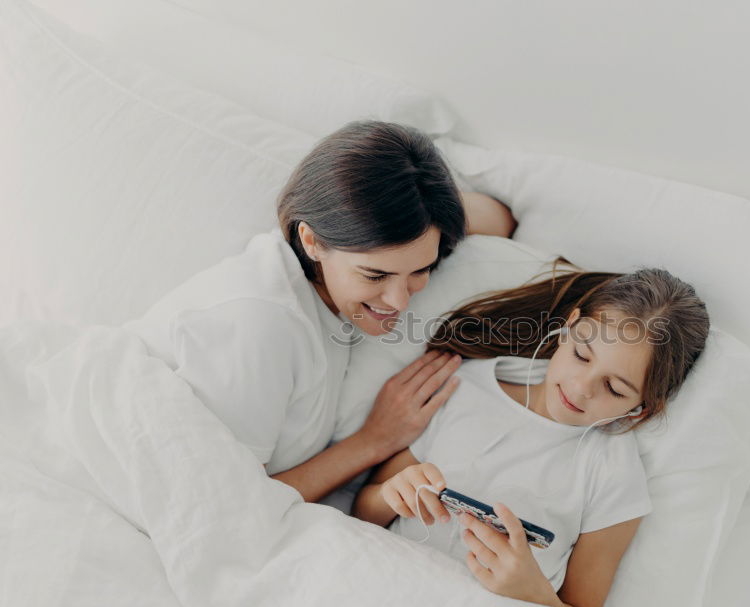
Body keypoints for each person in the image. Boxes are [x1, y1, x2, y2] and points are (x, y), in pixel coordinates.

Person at [125, 120, 516, 503]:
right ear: (311, 240)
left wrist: (421, 200)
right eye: (375, 275)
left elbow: (501, 219)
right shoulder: (262, 324)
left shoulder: (335, 276)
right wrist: (375, 440)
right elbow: (235, 508)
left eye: (421, 270)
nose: (399, 301)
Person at [351, 266, 710, 607]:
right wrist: (391, 495)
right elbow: (363, 510)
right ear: (568, 327)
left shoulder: (614, 473)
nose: (582, 387)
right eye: (582, 355)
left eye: (614, 389)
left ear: (642, 408)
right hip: (384, 591)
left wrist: (532, 591)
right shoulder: (465, 387)